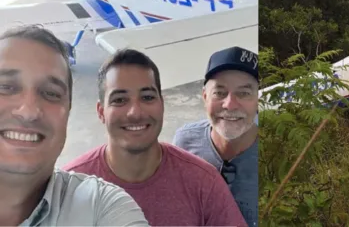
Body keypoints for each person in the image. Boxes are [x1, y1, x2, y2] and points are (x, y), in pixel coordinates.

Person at [63, 49, 247, 227]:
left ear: (162, 105)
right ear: (101, 112)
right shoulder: (69, 191)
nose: (135, 112)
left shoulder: (203, 183)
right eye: (119, 100)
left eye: (147, 97)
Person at [0, 25, 149, 226]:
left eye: (51, 93)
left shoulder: (100, 207)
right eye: (6, 87)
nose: (29, 111)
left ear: (68, 113)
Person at [173, 46, 259, 227]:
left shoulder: (280, 150)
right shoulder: (185, 142)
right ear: (205, 97)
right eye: (219, 93)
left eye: (244, 93)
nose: (230, 104)